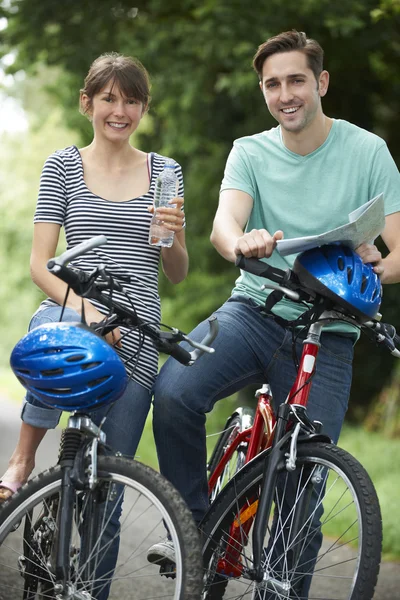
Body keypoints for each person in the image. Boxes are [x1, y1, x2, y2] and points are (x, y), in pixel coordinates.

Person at [148, 29, 400, 595]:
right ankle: (192, 530)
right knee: (176, 393)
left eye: (296, 81)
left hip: (330, 331)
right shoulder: (250, 150)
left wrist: (372, 265)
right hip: (254, 311)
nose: (285, 94)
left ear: (321, 83)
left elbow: (399, 249)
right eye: (272, 84)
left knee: (303, 476)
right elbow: (222, 227)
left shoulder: (368, 152)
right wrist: (245, 240)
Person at [0, 54, 187, 501]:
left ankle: (91, 574)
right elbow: (40, 264)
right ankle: (23, 458)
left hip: (138, 331)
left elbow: (177, 274)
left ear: (143, 109)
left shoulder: (165, 172)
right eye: (109, 99)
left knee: (106, 492)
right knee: (58, 335)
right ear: (87, 103)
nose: (120, 112)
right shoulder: (62, 165)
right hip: (75, 312)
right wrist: (88, 310)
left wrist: (172, 240)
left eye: (132, 101)